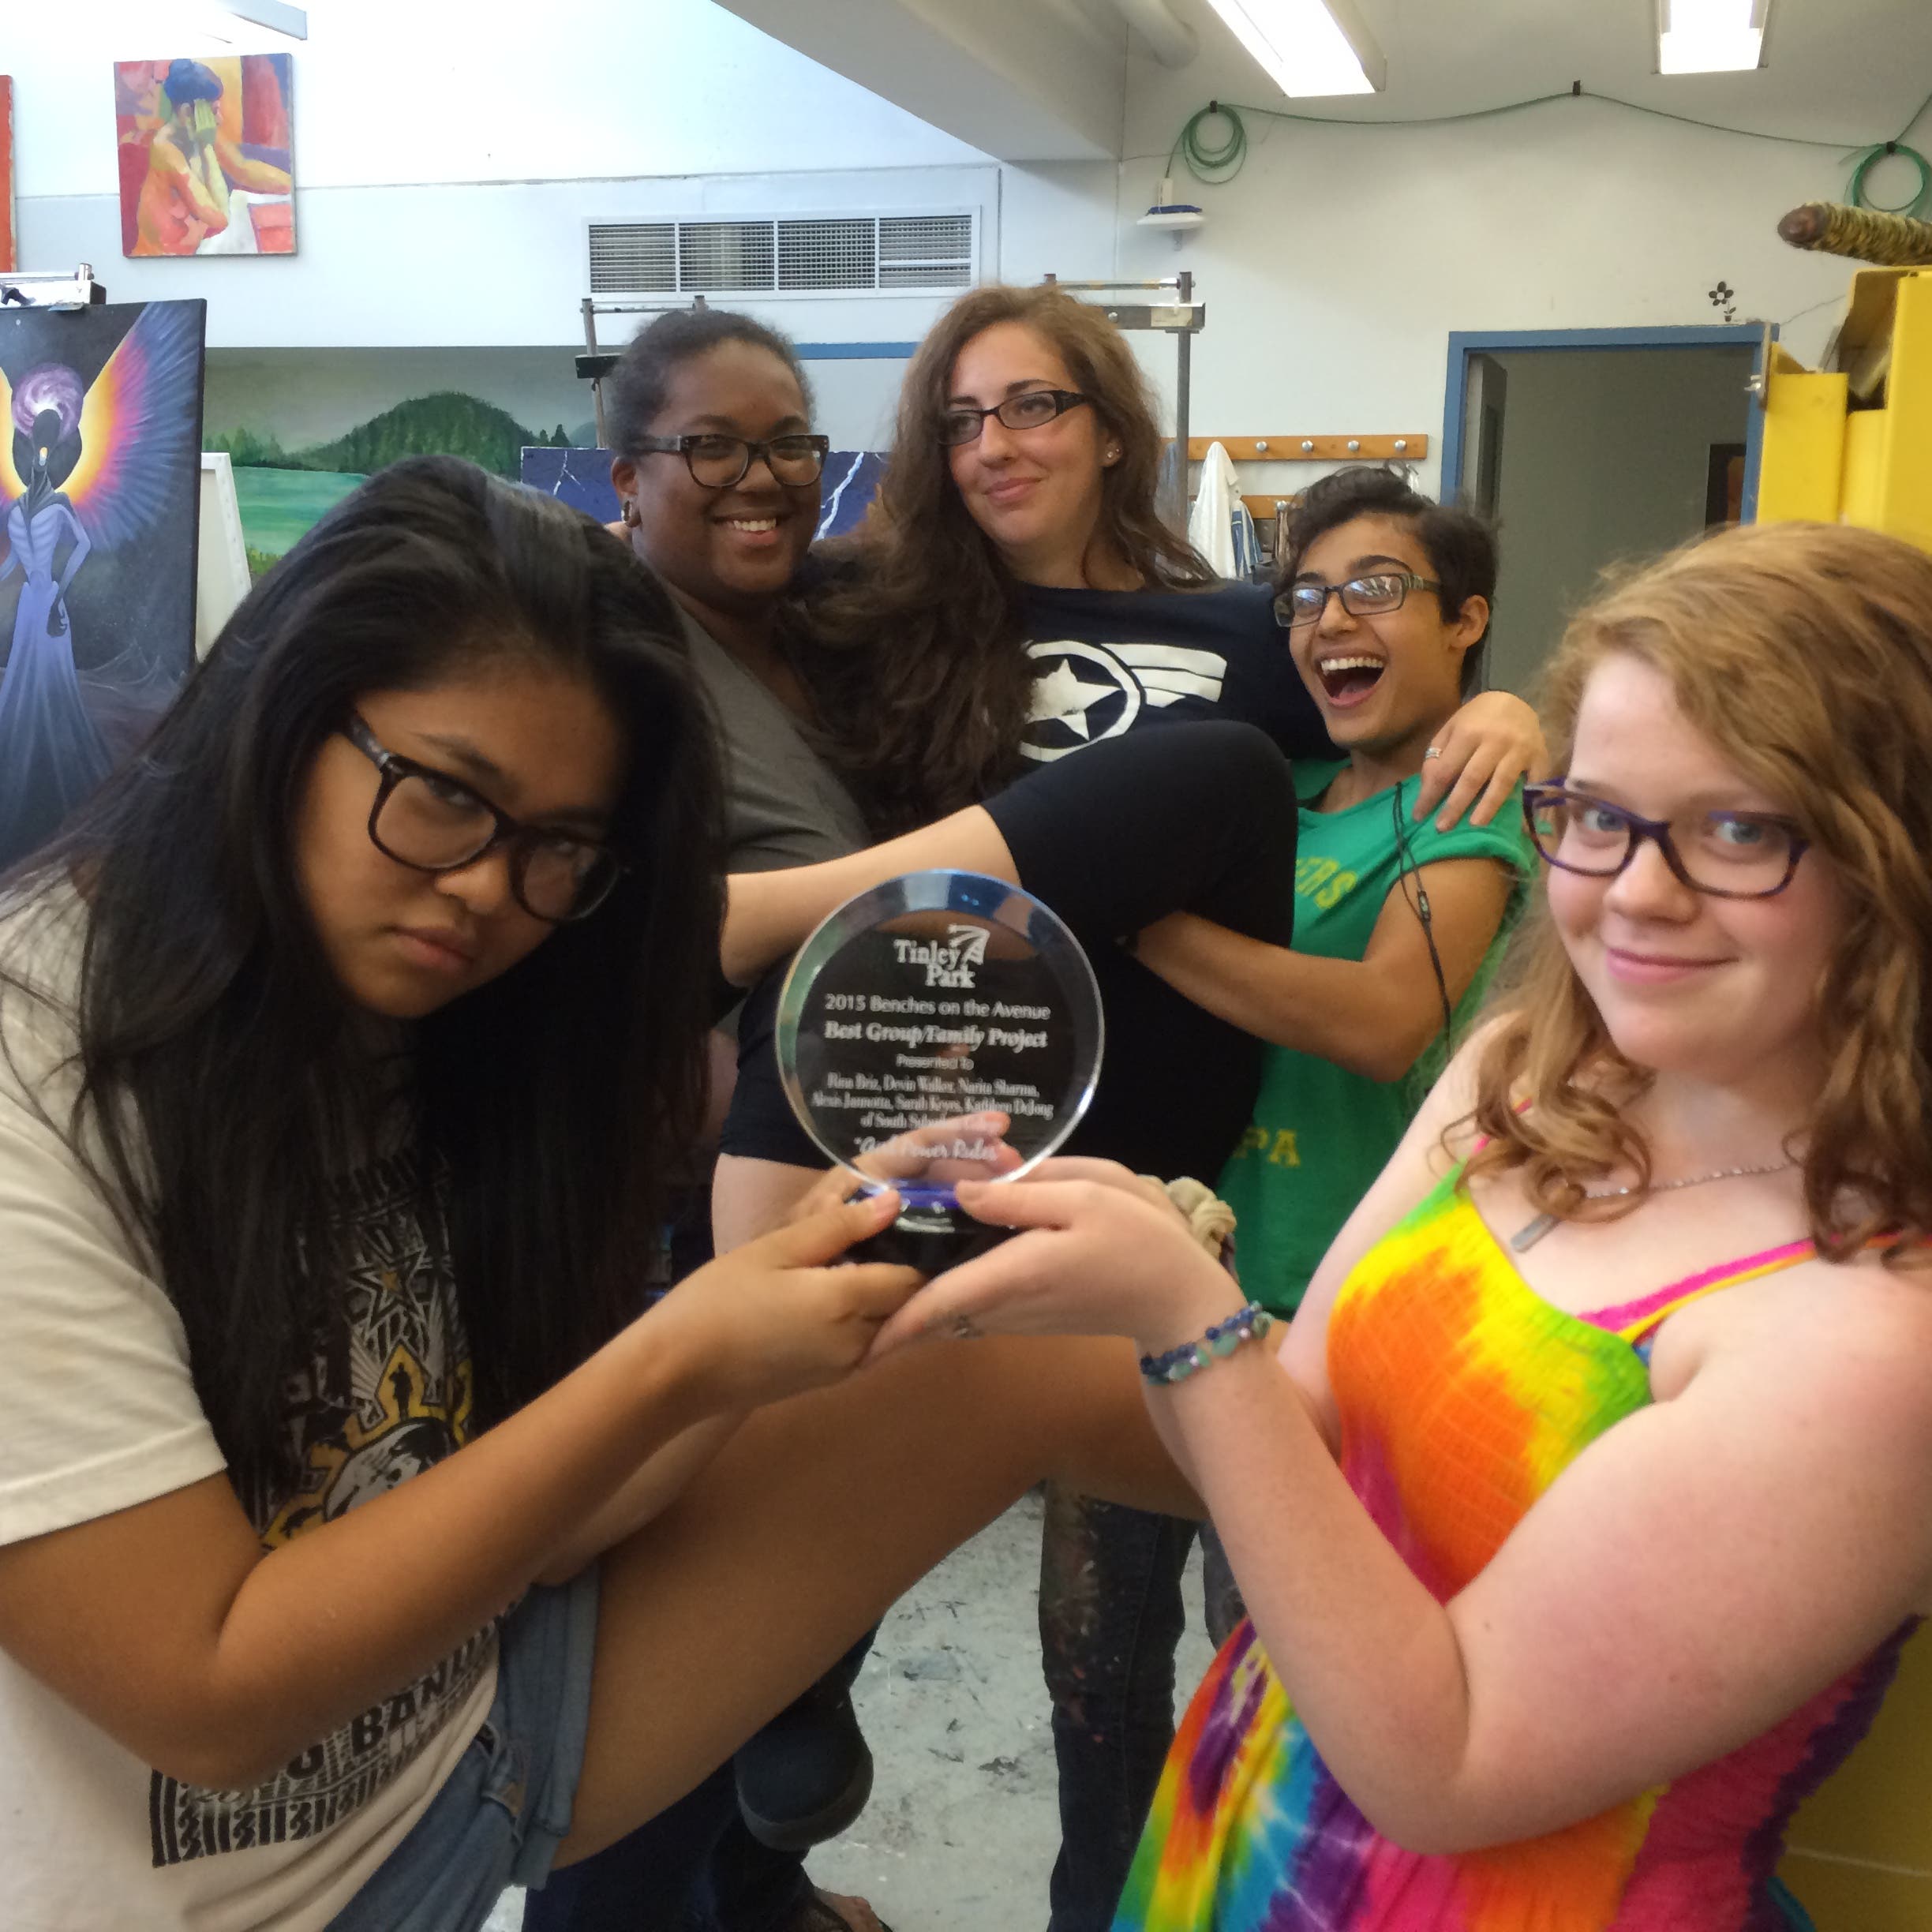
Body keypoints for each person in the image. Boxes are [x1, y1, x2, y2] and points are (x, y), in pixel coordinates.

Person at [0, 457, 1190, 1932]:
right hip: (234, 1880)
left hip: (469, 1732)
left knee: (1031, 1347)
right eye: (450, 796)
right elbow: (211, 1701)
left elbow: (539, 1516)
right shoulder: (40, 1066)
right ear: (284, 715)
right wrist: (680, 1357)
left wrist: (772, 1312)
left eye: (561, 849)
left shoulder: (451, 1019)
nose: (488, 892)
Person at [872, 518, 1932, 1930]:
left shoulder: (1872, 1338)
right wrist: (1118, 1248)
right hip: (1236, 1855)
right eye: (1597, 814)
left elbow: (1446, 1765)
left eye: (1739, 829)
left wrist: (1187, 1320)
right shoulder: (1526, 1082)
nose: (1637, 891)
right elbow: (1300, 1440)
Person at [708, 283, 1546, 1932]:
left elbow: (1394, 707)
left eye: (1032, 405)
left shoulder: (1240, 631)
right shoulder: (873, 611)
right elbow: (703, 607)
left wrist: (1519, 704)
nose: (994, 444)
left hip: (1149, 1103)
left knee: (1211, 777)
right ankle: (796, 1684)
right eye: (960, 419)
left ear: (1110, 427)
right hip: (925, 1048)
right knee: (865, 1390)